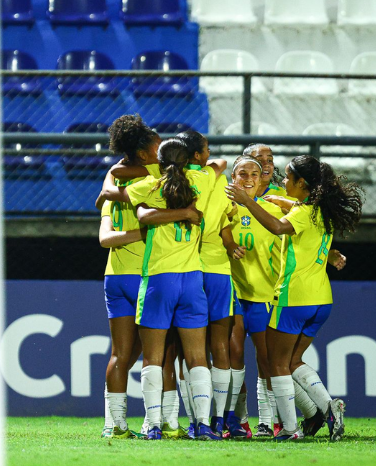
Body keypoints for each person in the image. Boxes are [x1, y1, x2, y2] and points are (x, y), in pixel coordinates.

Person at [224, 155, 363, 441]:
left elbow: (277, 227)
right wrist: (275, 201)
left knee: (276, 365)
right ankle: (328, 407)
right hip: (321, 299)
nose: (282, 182)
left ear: (303, 183)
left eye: (288, 178)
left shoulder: (300, 214)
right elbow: (295, 210)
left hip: (293, 298)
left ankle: (290, 428)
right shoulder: (321, 211)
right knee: (292, 361)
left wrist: (248, 201)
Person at [100, 138, 226, 440]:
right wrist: (187, 211)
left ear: (159, 160)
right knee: (197, 357)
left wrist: (116, 173)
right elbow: (219, 164)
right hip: (193, 279)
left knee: (153, 357)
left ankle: (153, 425)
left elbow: (127, 205)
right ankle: (203, 425)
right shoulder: (203, 180)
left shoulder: (151, 186)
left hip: (159, 279)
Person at [98, 115, 194, 439]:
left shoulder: (114, 179)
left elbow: (104, 239)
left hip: (115, 276)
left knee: (119, 355)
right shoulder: (158, 174)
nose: (161, 148)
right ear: (143, 153)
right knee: (162, 352)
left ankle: (114, 425)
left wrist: (108, 188)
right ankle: (166, 422)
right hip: (148, 275)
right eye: (156, 145)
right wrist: (143, 232)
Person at [220, 155, 286, 438]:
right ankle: (239, 420)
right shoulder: (223, 209)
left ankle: (269, 420)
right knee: (233, 356)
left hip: (263, 294)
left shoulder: (271, 210)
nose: (248, 179)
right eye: (242, 173)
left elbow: (296, 241)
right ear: (232, 179)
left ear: (262, 181)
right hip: (233, 293)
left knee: (266, 358)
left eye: (254, 175)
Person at [176, 131, 237, 437]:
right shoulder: (216, 178)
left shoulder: (170, 181)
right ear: (199, 156)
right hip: (218, 271)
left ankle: (192, 419)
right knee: (220, 346)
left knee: (187, 349)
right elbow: (225, 219)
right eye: (207, 149)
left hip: (185, 268)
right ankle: (221, 419)